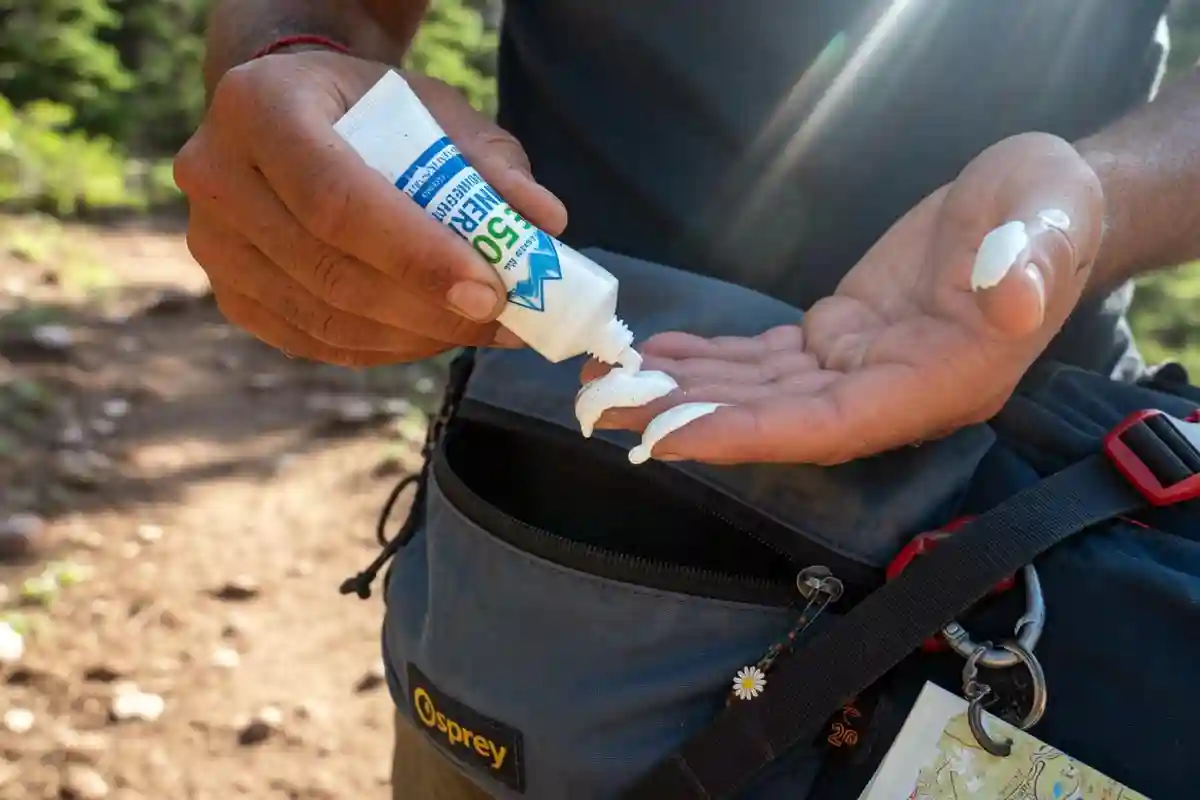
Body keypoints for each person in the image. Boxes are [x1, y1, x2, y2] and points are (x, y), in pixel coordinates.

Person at [175, 1, 1200, 796]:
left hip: (1018, 519)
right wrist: (289, 64)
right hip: (550, 533)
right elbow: (316, 19)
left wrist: (1098, 200)